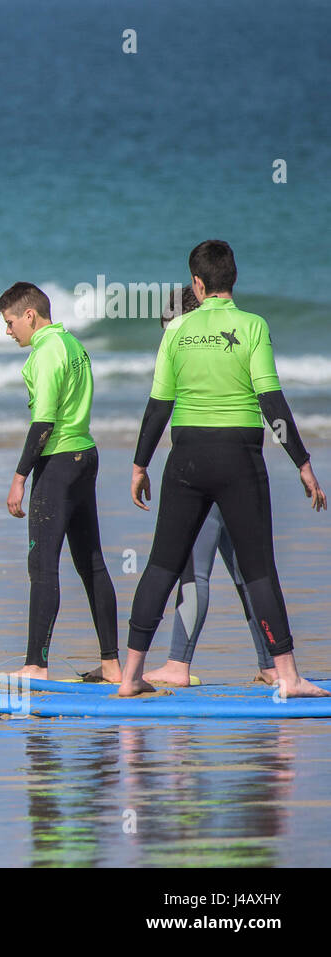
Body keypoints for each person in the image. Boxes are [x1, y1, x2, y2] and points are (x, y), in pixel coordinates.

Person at [120, 240, 327, 697]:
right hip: (239, 456)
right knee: (259, 570)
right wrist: (303, 463)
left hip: (186, 455)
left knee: (159, 567)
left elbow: (158, 407)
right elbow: (270, 402)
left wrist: (139, 464)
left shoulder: (176, 331)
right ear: (233, 278)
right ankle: (287, 676)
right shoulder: (253, 326)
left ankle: (131, 678)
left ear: (197, 283)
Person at [142, 286, 276, 686]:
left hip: (200, 475)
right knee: (248, 574)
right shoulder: (235, 338)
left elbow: (164, 409)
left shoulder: (185, 343)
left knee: (193, 574)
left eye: (169, 329)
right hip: (240, 467)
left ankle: (178, 665)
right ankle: (270, 665)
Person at [0, 281, 119, 682]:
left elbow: (44, 422)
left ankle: (36, 666)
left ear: (30, 315)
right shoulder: (73, 345)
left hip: (59, 463)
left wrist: (19, 477)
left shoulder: (46, 351)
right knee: (92, 564)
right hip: (86, 455)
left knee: (42, 565)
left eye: (11, 322)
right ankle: (112, 665)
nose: (9, 331)